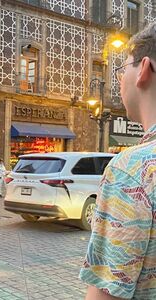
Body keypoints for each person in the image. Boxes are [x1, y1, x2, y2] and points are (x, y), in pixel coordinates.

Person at [80, 23, 156, 299]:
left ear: (144, 70)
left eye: (122, 69)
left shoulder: (133, 170)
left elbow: (105, 294)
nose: (120, 78)